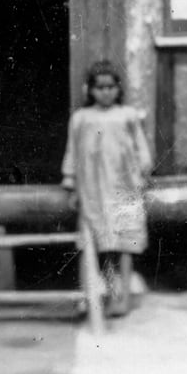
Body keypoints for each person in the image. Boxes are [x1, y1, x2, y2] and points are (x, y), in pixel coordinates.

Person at [61, 60, 154, 320]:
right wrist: (71, 185)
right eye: (99, 87)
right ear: (90, 90)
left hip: (124, 187)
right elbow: (72, 152)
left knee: (124, 242)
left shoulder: (127, 116)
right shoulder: (80, 119)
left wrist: (143, 172)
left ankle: (123, 297)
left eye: (111, 87)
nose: (105, 92)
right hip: (93, 189)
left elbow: (140, 148)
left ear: (118, 88)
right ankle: (103, 295)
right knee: (100, 244)